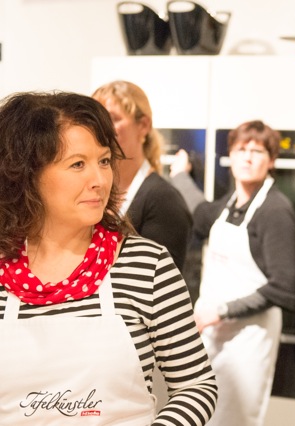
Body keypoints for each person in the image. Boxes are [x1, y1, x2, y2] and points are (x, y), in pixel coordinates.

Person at [0, 92, 217, 424]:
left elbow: (196, 385)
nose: (100, 180)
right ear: (27, 174)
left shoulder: (147, 266)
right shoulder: (5, 270)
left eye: (104, 161)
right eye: (78, 164)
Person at [170, 120, 295, 426]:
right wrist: (179, 175)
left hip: (249, 338)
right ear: (230, 156)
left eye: (257, 151)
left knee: (234, 419)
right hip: (212, 331)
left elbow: (283, 288)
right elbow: (199, 211)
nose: (248, 158)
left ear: (271, 160)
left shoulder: (275, 211)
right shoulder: (228, 205)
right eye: (241, 150)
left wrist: (221, 311)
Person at [92, 80, 192, 273]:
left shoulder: (163, 200)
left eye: (112, 119)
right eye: (97, 120)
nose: (102, 129)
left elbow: (160, 281)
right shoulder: (94, 190)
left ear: (143, 125)